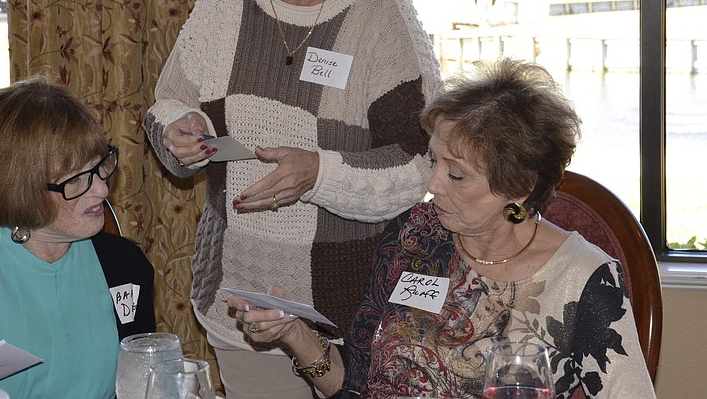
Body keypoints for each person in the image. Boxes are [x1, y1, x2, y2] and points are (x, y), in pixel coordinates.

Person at [143, 0, 440, 396]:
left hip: (352, 309)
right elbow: (168, 101)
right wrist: (178, 133)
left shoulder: (381, 13)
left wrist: (319, 174)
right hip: (242, 299)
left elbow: (417, 165)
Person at [229, 59, 657, 399]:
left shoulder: (583, 279)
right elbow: (354, 383)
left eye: (457, 175)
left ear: (520, 188)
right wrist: (294, 334)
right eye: (435, 161)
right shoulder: (413, 237)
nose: (432, 185)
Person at [0, 77, 156, 398]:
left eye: (100, 167)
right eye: (77, 180)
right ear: (19, 189)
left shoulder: (125, 265)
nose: (101, 188)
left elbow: (141, 383)